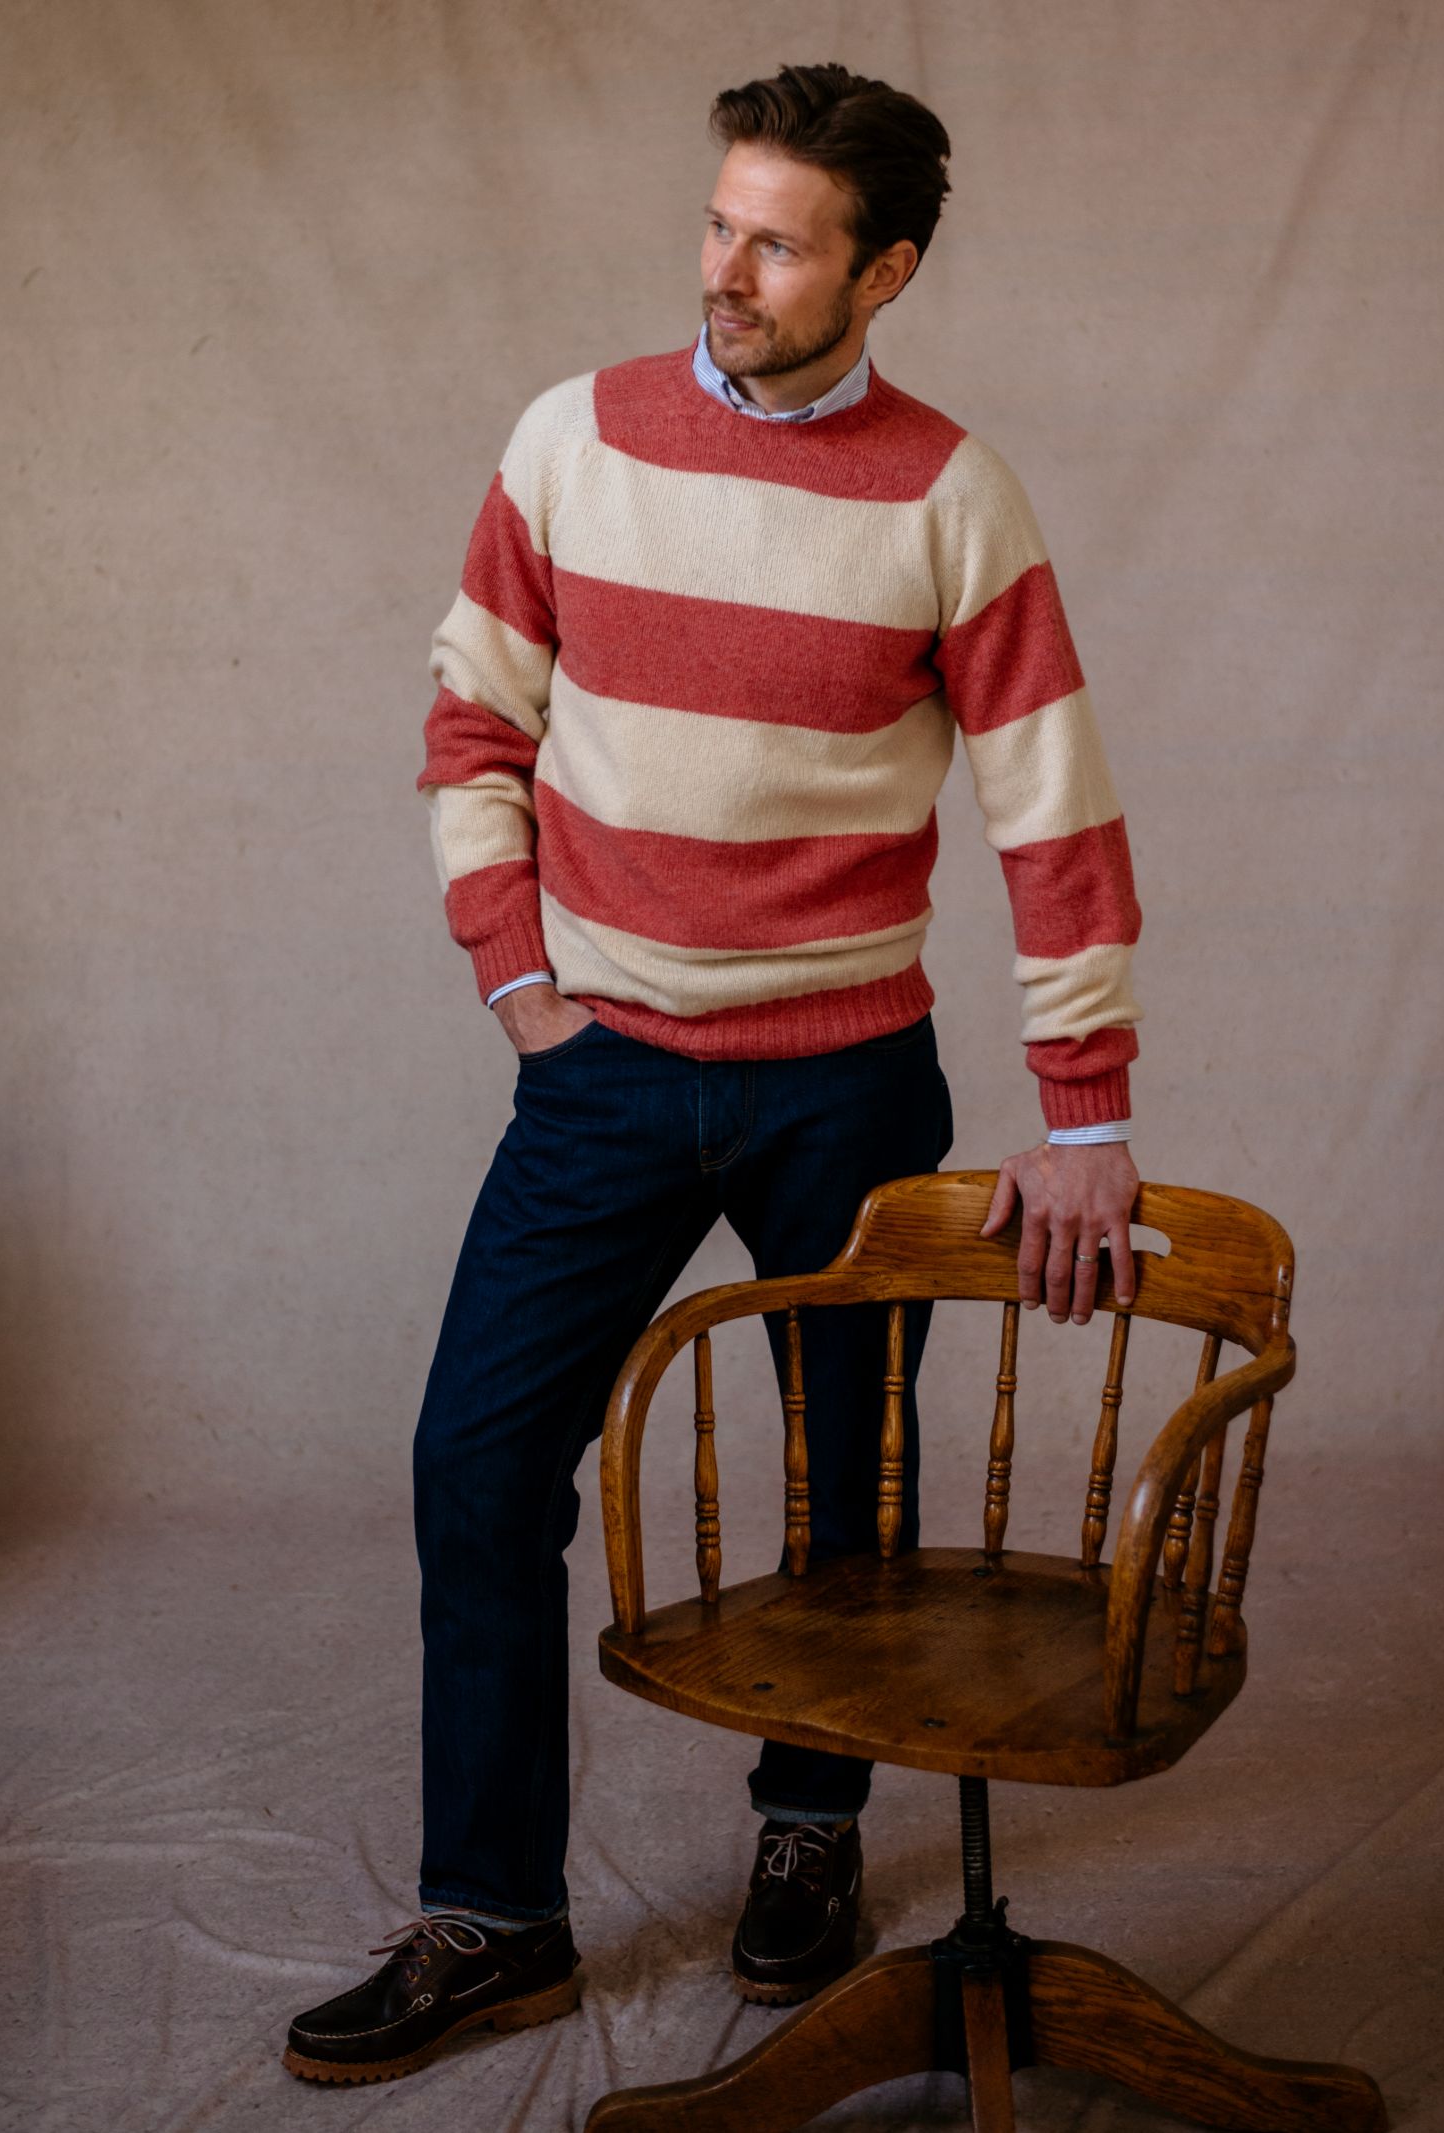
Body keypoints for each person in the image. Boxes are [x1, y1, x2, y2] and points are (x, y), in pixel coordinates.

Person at [283, 60, 1142, 2087]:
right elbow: (469, 712)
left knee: (844, 1487)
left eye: (774, 239)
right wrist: (514, 978)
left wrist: (1085, 1113)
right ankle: (491, 1915)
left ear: (885, 269)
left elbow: (1056, 814)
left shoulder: (952, 493)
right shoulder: (569, 436)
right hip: (596, 1073)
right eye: (715, 221)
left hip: (846, 1078)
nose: (723, 269)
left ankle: (810, 1833)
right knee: (475, 1463)